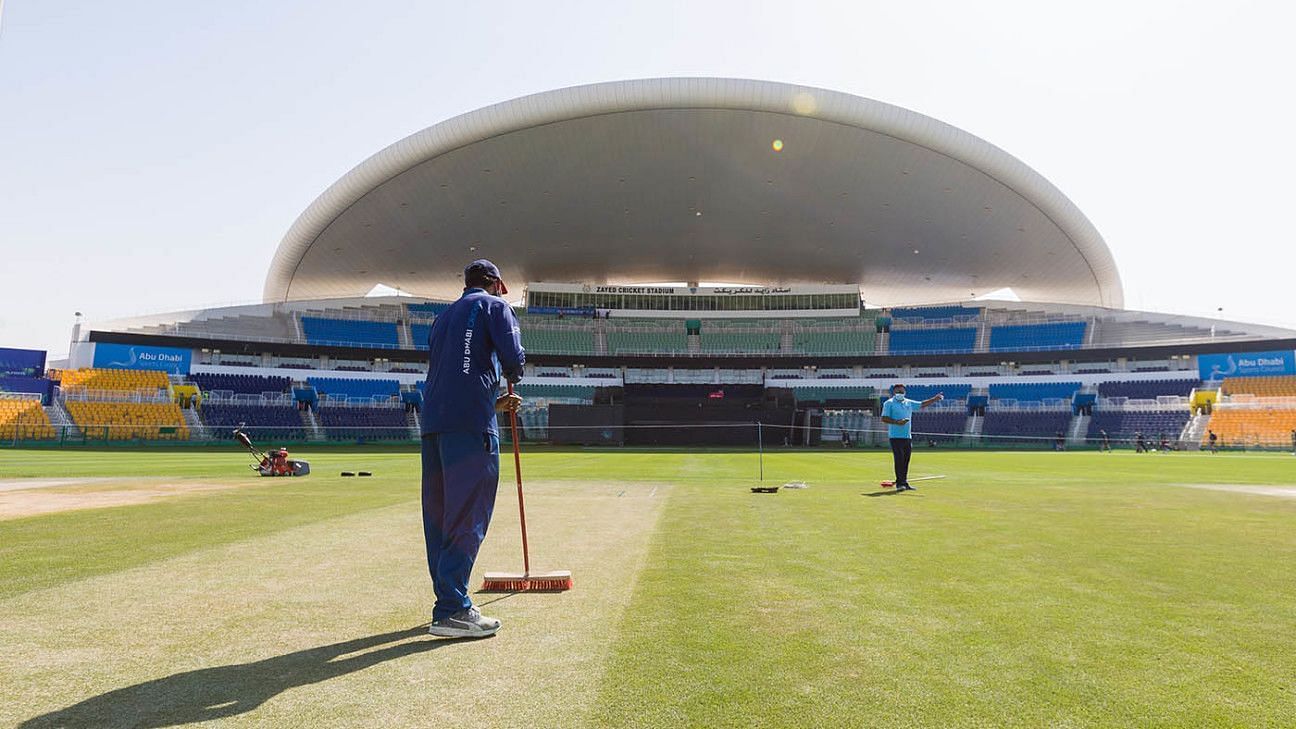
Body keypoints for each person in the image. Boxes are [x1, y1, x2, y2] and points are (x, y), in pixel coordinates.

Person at [420, 259, 525, 639]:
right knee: (467, 515)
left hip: (435, 428)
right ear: (497, 284)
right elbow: (514, 359)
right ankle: (452, 610)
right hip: (471, 431)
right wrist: (515, 373)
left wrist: (493, 403)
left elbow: (454, 376)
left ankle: (447, 600)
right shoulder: (496, 306)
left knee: (440, 517)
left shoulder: (443, 317)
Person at [879, 384, 943, 491]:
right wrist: (896, 422)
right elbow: (884, 418)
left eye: (902, 391)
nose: (900, 393)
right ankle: (900, 483)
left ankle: (904, 482)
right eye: (898, 391)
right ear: (894, 393)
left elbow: (922, 404)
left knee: (906, 460)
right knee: (899, 459)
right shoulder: (888, 403)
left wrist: (935, 399)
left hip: (907, 436)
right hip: (895, 437)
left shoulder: (908, 402)